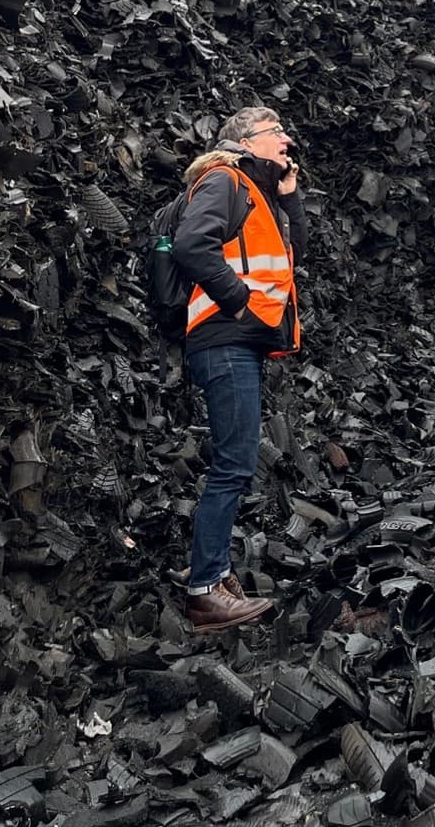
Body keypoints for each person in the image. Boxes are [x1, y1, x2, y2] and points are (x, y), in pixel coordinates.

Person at [171, 105, 307, 633]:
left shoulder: (258, 194)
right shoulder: (224, 180)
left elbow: (299, 253)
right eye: (275, 132)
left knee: (236, 461)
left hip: (239, 341)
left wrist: (290, 194)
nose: (286, 139)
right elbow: (190, 244)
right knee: (233, 464)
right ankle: (206, 590)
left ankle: (215, 573)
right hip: (224, 338)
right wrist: (237, 301)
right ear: (245, 141)